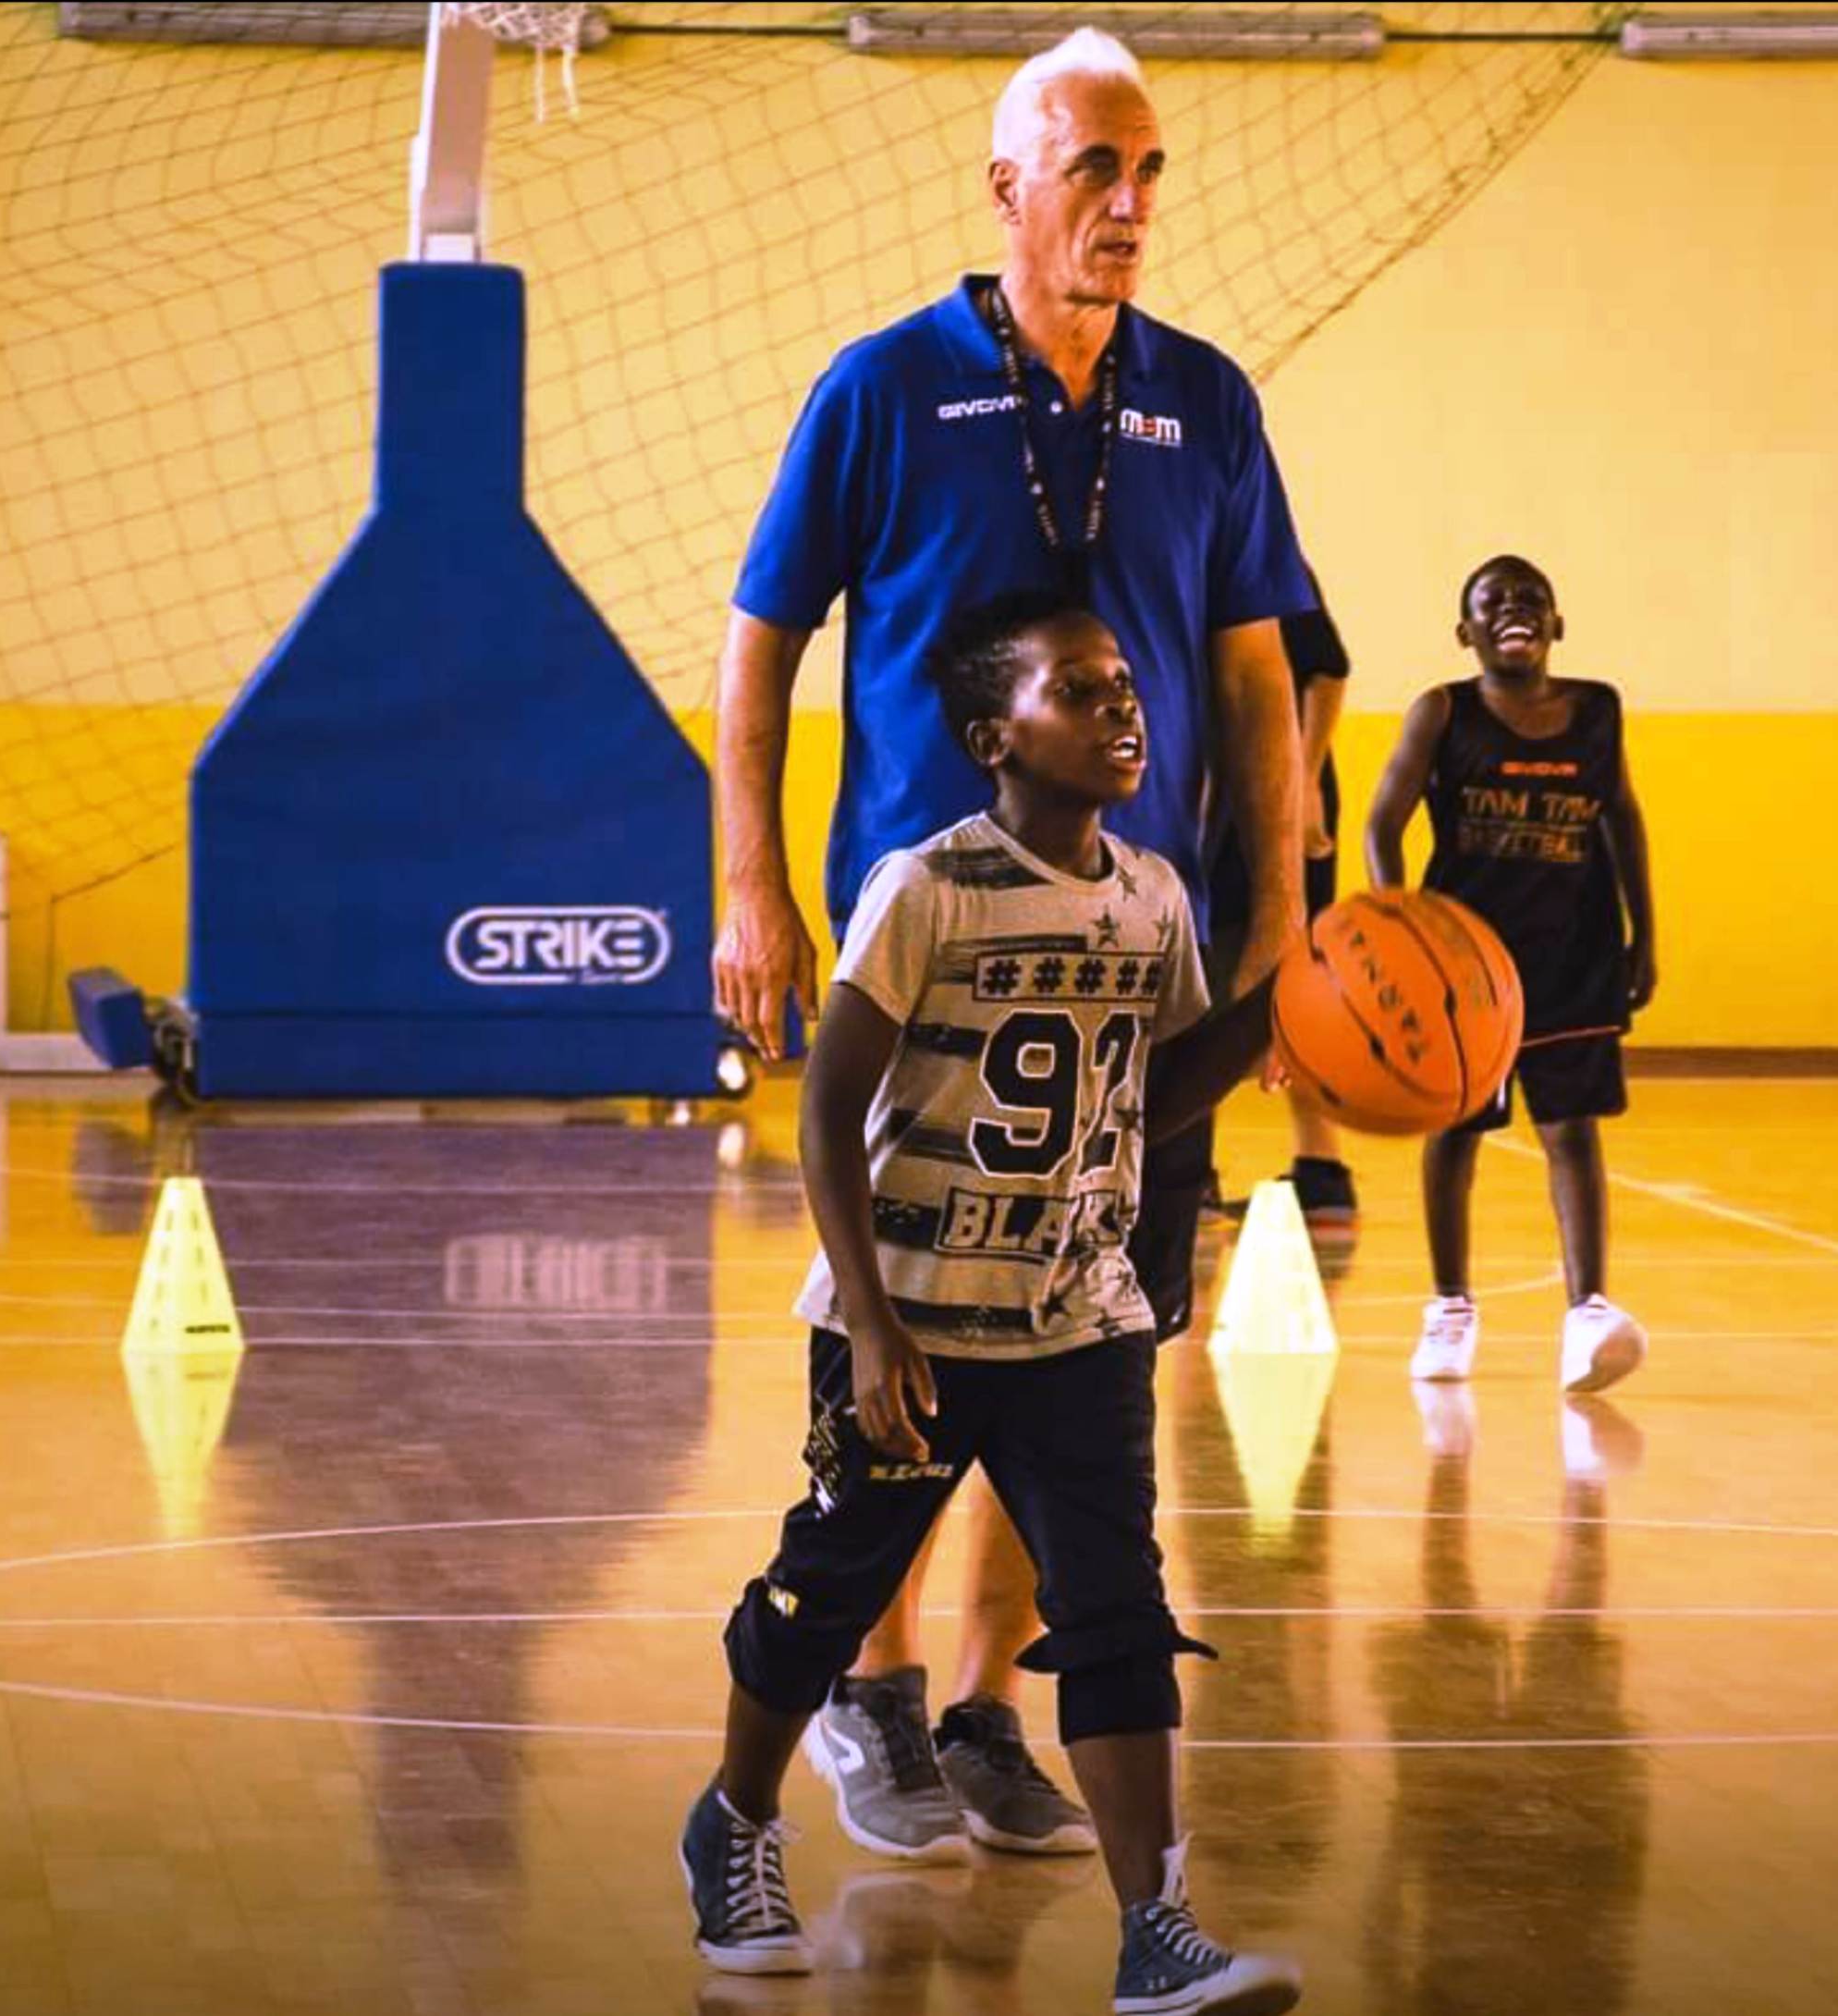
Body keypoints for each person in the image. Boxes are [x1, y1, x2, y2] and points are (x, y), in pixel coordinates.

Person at [708, 25, 1312, 1861]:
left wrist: (1278, 917)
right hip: (929, 970)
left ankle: (983, 1703)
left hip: (1142, 970)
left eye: (1147, 174)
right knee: (896, 1344)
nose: (1126, 207)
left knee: (1089, 1352)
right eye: (1091, 173)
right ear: (1005, 190)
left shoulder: (1207, 404)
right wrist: (749, 880)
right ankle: (865, 1700)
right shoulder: (883, 389)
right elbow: (759, 649)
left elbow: (1258, 676)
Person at [682, 593, 1302, 2016]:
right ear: (991, 736)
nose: (1123, 707)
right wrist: (877, 1325)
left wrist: (1288, 1011)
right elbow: (828, 1113)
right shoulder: (928, 888)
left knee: (1120, 1615)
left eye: (1125, 685)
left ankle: (1158, 1928)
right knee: (828, 1590)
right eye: (1079, 691)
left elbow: (1151, 1089)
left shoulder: (1153, 895)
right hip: (907, 1317)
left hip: (1077, 1314)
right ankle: (733, 1821)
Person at [1364, 554, 1659, 1393]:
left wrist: (1647, 934)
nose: (1514, 610)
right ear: (1467, 633)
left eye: (1531, 599)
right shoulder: (1442, 712)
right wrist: (1400, 927)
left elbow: (1623, 821)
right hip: (1465, 960)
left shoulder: (1598, 709)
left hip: (1576, 948)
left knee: (1571, 1129)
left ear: (1558, 624)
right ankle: (1450, 1309)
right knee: (1456, 1129)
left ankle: (1589, 1312)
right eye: (1492, 603)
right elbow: (1383, 823)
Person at [1203, 575, 1357, 1224]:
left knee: (1297, 978)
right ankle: (1189, 1169)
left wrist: (1307, 777)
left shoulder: (1259, 560)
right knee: (1199, 982)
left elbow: (1328, 670)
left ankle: (1322, 1168)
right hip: (1203, 792)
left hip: (1275, 788)